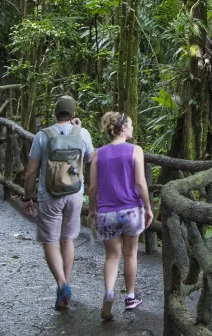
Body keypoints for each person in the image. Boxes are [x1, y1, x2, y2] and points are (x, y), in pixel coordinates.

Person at [21, 95, 95, 313]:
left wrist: (28, 196)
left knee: (50, 242)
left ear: (55, 113)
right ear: (73, 115)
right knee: (68, 239)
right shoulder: (83, 133)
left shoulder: (42, 136)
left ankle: (62, 285)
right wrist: (78, 130)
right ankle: (66, 285)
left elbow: (31, 171)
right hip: (75, 194)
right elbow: (91, 159)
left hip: (49, 195)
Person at [90, 111, 152, 323]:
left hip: (106, 212)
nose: (133, 129)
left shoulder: (98, 154)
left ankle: (109, 293)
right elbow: (141, 183)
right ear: (123, 128)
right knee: (131, 253)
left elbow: (93, 187)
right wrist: (148, 207)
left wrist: (91, 210)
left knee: (112, 256)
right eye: (131, 125)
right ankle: (130, 297)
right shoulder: (135, 150)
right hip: (131, 210)